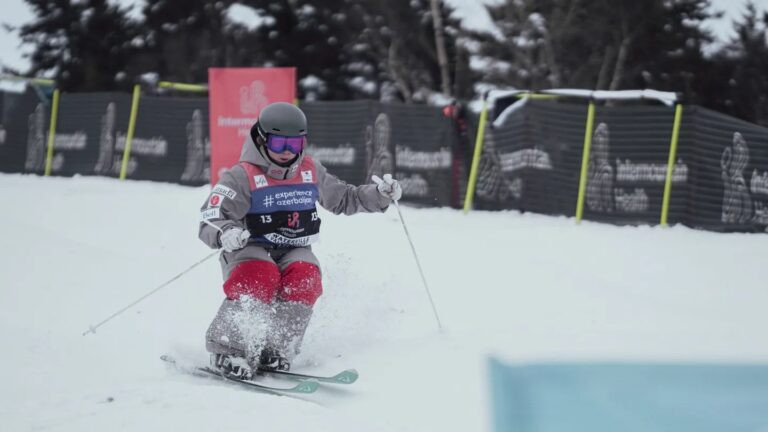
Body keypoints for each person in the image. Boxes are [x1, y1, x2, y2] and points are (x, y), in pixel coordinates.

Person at [198, 102, 402, 379]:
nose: (286, 151)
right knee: (260, 275)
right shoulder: (242, 176)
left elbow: (345, 198)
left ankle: (276, 348)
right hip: (249, 247)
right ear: (262, 139)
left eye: (294, 144)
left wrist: (379, 195)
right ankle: (227, 349)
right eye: (279, 143)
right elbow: (211, 216)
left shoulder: (310, 170)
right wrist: (226, 232)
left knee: (306, 277)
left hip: (293, 246)